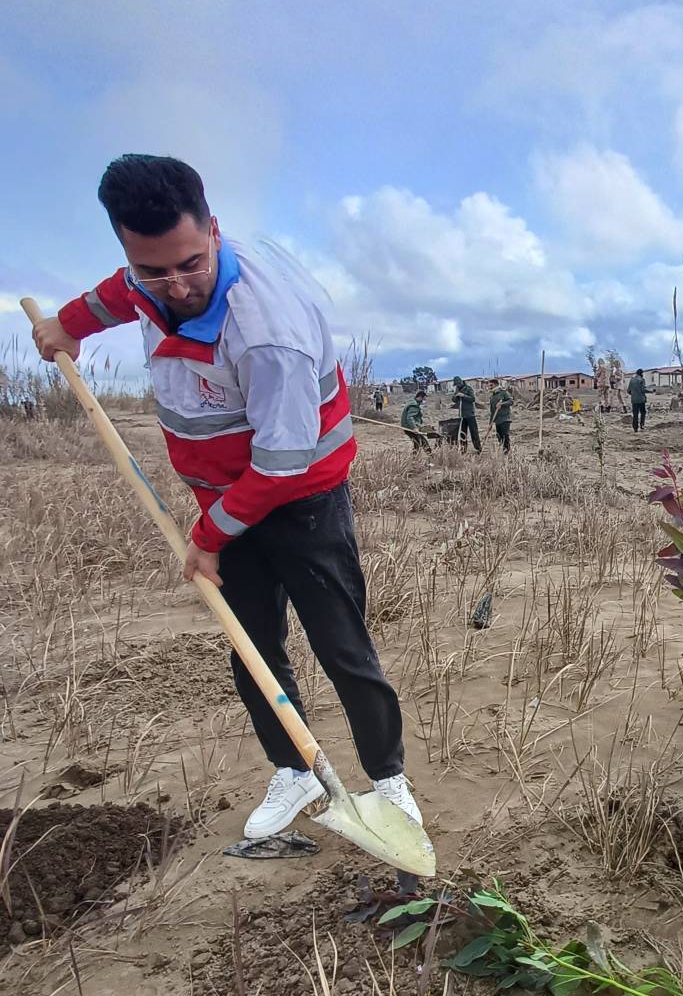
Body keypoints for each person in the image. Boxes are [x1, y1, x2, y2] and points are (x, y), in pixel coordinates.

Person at [30, 154, 423, 842]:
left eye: (190, 262)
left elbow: (282, 462)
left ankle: (389, 780)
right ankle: (294, 771)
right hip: (224, 499)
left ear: (214, 229)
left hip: (302, 497)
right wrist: (67, 326)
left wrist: (209, 537)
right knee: (250, 645)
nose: (176, 285)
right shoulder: (147, 278)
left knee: (341, 643)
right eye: (154, 269)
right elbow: (115, 297)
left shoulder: (269, 332)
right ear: (129, 252)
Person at [451, 377, 481, 451]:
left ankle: (478, 448)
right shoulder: (457, 389)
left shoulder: (468, 388)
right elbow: (453, 400)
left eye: (458, 384)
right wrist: (456, 396)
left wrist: (464, 396)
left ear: (461, 382)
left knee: (474, 432)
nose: (457, 385)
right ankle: (463, 449)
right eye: (456, 385)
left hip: (470, 414)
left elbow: (473, 399)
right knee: (462, 433)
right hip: (462, 415)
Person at [400, 386, 431, 452]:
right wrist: (414, 428)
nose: (423, 401)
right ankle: (431, 456)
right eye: (423, 399)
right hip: (409, 427)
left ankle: (414, 458)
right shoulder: (414, 405)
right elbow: (410, 417)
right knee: (422, 442)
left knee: (417, 443)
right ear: (420, 397)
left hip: (408, 426)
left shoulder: (413, 401)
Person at [489, 382, 512, 452]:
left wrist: (502, 404)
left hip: (505, 419)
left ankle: (507, 452)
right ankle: (503, 451)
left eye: (491, 385)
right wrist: (490, 423)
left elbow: (511, 401)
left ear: (496, 385)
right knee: (499, 437)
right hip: (497, 420)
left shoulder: (504, 393)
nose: (489, 387)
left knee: (505, 436)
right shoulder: (492, 397)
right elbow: (492, 411)